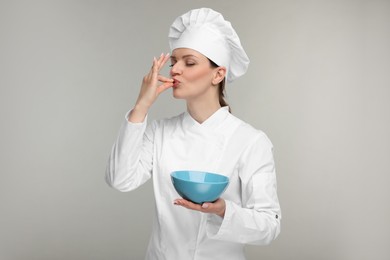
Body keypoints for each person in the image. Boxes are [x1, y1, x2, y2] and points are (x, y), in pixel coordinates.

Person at [106, 7, 281, 260]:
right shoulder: (160, 132)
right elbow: (120, 179)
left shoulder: (250, 141)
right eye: (174, 62)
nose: (175, 70)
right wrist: (141, 105)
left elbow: (270, 225)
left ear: (218, 74)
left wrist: (224, 211)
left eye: (189, 62)